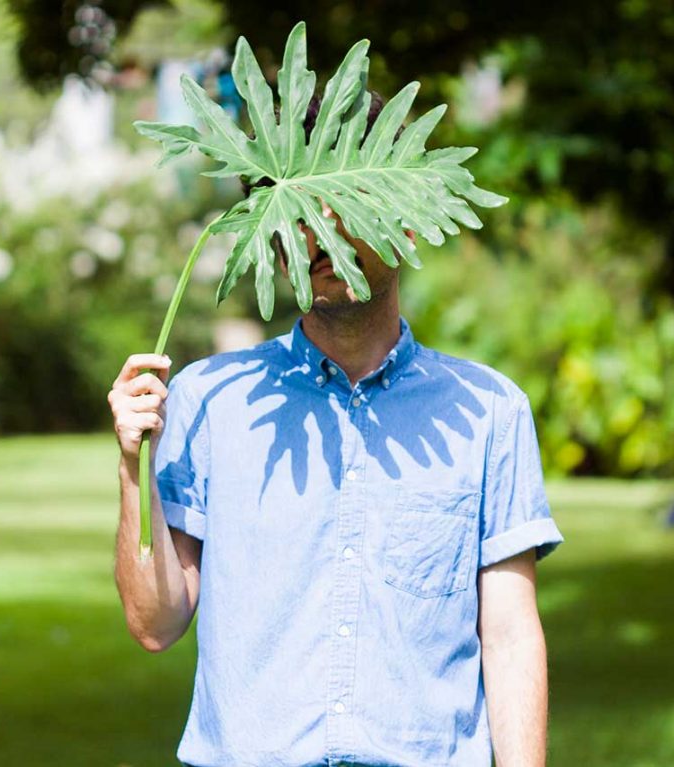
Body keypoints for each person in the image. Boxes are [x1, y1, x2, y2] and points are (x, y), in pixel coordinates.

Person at [108, 94, 565, 767]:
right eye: (297, 213)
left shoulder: (488, 410)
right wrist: (129, 465)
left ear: (409, 223)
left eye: (345, 203)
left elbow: (509, 633)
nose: (320, 230)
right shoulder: (208, 399)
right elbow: (155, 623)